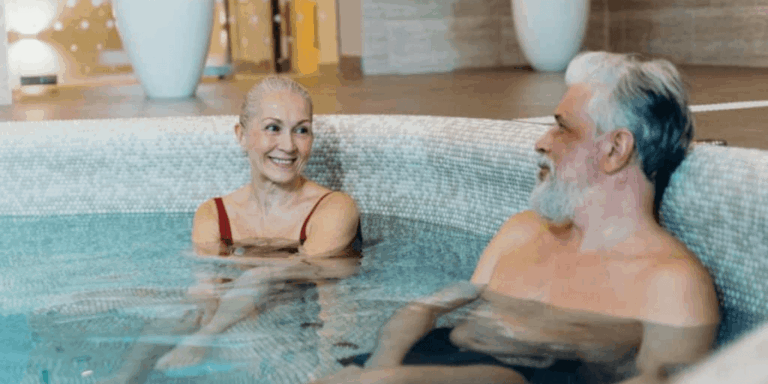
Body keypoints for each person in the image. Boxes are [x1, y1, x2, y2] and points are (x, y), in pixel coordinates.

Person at [309, 52, 720, 384]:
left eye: (562, 128)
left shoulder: (672, 285)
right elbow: (431, 307)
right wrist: (383, 366)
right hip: (423, 361)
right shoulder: (523, 230)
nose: (541, 141)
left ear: (615, 149)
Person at [99, 76, 361, 383]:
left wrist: (330, 359)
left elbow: (329, 298)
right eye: (273, 128)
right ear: (241, 135)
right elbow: (205, 290)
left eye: (301, 130)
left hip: (300, 324)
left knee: (260, 276)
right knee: (178, 313)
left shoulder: (334, 209)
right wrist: (198, 315)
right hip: (240, 315)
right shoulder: (214, 215)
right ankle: (122, 378)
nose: (288, 146)